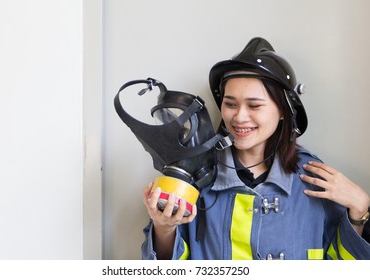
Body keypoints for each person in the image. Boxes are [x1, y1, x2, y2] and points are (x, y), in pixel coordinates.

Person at [141, 37, 370, 260]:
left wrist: (359, 212)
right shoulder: (193, 175)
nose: (239, 117)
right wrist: (163, 228)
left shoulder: (315, 180)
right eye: (230, 104)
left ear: (283, 110)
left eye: (254, 105)